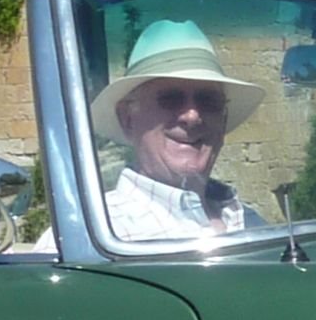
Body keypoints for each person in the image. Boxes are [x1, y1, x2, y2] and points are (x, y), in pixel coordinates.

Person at [93, 18, 267, 245]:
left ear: (223, 121)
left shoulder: (254, 224)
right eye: (170, 99)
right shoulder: (102, 235)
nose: (192, 116)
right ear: (128, 118)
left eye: (209, 100)